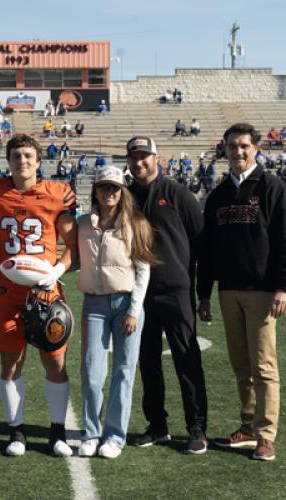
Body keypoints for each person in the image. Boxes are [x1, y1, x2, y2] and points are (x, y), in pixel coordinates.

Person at [0, 133, 78, 457]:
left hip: (46, 292)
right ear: (8, 161)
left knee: (55, 364)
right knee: (10, 366)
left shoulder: (57, 193)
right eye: (16, 156)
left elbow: (74, 246)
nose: (22, 161)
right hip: (8, 293)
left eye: (28, 156)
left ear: (38, 160)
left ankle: (58, 433)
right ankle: (16, 432)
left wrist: (57, 272)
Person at [197, 123, 286, 461]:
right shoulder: (218, 196)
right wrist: (204, 293)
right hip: (227, 291)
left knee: (264, 366)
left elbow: (284, 242)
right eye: (232, 146)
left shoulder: (273, 187)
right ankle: (248, 427)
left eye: (244, 146)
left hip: (263, 291)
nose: (238, 151)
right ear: (225, 149)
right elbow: (207, 251)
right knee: (240, 365)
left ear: (256, 148)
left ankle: (266, 436)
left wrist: (282, 287)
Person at [127, 136, 208, 454]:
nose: (139, 163)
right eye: (133, 158)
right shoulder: (126, 196)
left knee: (187, 360)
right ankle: (157, 425)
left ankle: (197, 427)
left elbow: (201, 241)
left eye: (144, 156)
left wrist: (201, 292)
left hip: (176, 291)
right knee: (147, 362)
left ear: (157, 158)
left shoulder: (176, 192)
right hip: (139, 294)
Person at [78, 166, 157, 459]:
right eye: (103, 187)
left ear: (122, 191)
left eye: (113, 188)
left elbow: (143, 270)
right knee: (91, 371)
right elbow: (72, 255)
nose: (108, 193)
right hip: (94, 304)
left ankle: (114, 436)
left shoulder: (135, 222)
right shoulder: (84, 223)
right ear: (95, 191)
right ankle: (90, 432)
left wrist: (134, 310)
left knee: (124, 371)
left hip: (127, 304)